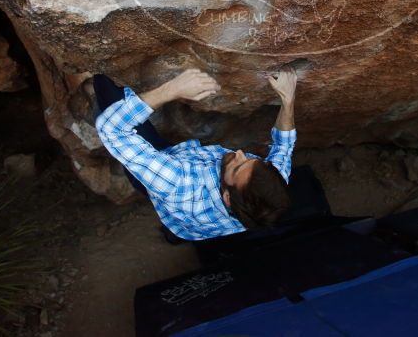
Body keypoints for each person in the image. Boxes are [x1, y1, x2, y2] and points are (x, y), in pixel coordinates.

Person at [94, 67, 297, 241]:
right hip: (196, 223)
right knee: (181, 230)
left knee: (108, 90)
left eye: (238, 166)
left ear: (227, 197)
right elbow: (283, 146)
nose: (240, 153)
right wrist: (288, 100)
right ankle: (175, 233)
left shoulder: (177, 186)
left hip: (169, 182)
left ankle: (96, 72)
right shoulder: (268, 185)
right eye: (251, 160)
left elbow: (113, 129)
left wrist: (171, 90)